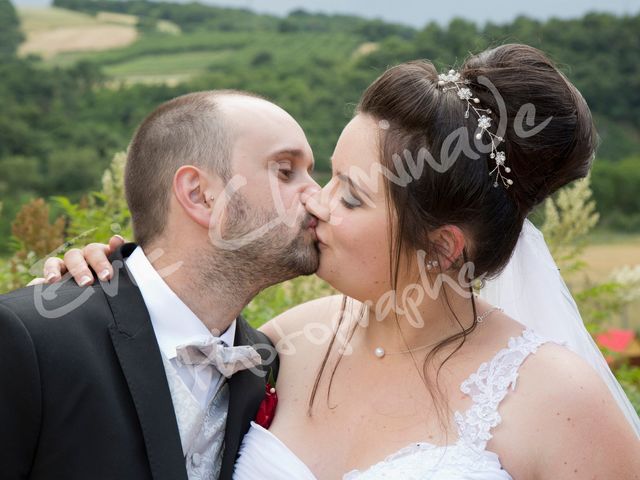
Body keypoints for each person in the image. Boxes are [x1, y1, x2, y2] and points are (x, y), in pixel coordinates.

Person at [37, 44, 640, 479]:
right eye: (326, 175)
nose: (315, 203)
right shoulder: (277, 347)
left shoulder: (559, 400)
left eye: (350, 195)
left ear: (442, 248)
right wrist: (113, 278)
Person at [0, 90, 322, 480]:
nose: (318, 197)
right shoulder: (29, 338)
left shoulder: (263, 362)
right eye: (285, 171)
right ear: (200, 195)